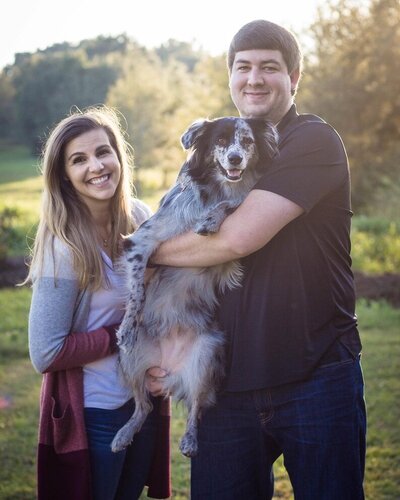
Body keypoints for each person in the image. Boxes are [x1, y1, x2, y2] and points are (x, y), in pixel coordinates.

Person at [147, 19, 366, 499]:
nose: (255, 78)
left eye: (270, 67)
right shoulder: (221, 149)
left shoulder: (311, 141)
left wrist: (142, 253)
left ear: (294, 78)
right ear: (230, 78)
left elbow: (236, 239)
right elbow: (177, 224)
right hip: (227, 384)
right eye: (243, 67)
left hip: (316, 374)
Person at [27, 106, 171, 500]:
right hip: (95, 414)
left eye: (103, 152)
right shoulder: (64, 247)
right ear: (64, 176)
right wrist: (122, 336)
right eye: (79, 159)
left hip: (142, 402)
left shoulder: (140, 218)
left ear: (118, 156)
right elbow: (46, 352)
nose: (96, 166)